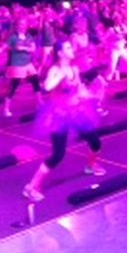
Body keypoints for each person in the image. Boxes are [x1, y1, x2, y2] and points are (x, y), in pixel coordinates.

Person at [23, 40, 106, 202]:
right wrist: (60, 75)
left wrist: (92, 95)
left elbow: (79, 90)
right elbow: (47, 87)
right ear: (60, 53)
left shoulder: (74, 68)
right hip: (59, 116)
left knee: (95, 142)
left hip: (77, 112)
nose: (72, 49)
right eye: (68, 47)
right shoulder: (55, 70)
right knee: (58, 154)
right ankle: (31, 187)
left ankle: (91, 165)